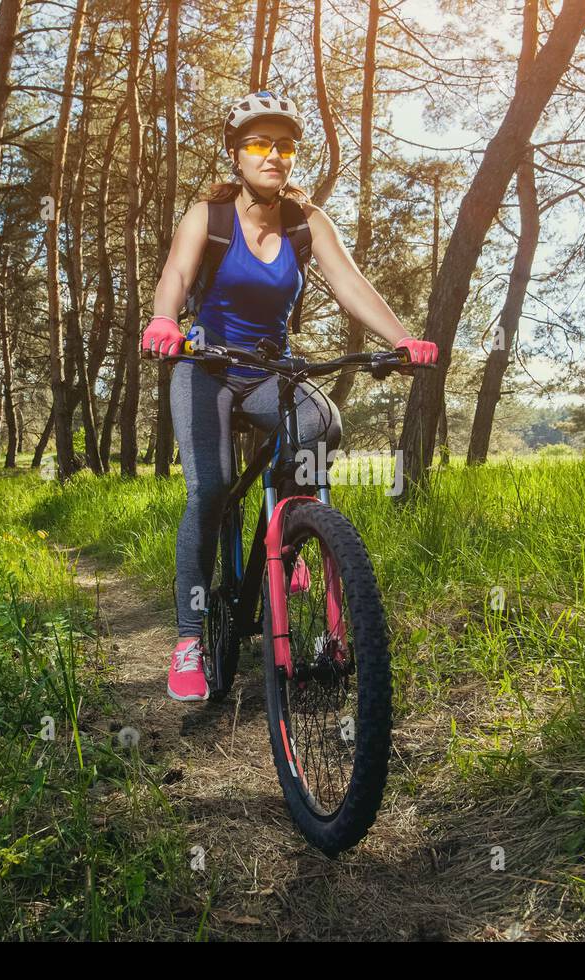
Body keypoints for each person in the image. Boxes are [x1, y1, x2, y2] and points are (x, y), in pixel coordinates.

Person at [141, 89, 438, 702]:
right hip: (207, 366)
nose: (272, 154)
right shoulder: (210, 217)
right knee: (212, 488)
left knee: (319, 423)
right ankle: (190, 637)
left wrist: (402, 339)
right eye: (258, 143)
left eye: (284, 145)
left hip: (269, 369)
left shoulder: (306, 221)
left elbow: (352, 285)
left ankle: (288, 532)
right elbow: (173, 276)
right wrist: (165, 321)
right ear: (236, 155)